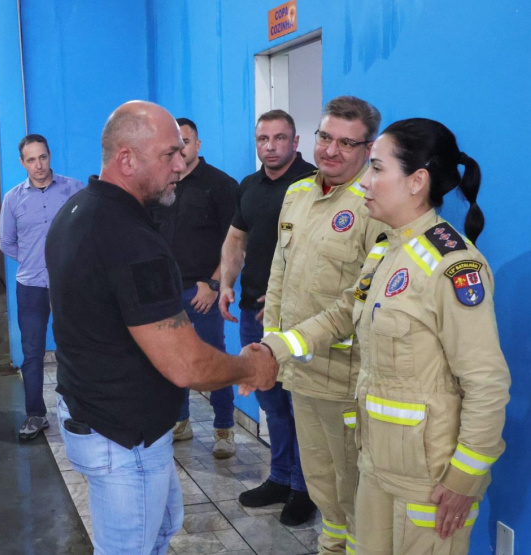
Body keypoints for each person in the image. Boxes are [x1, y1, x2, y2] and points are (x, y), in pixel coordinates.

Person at [263, 118, 510, 554]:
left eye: (376, 168)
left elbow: (486, 383)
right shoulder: (386, 251)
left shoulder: (451, 266)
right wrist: (272, 349)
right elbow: (342, 314)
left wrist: (465, 477)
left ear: (417, 182)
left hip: (429, 480)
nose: (365, 182)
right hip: (376, 462)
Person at [45, 100, 278, 554]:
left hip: (102, 417)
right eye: (169, 154)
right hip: (121, 436)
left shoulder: (79, 208)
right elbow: (187, 364)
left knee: (162, 531)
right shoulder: (128, 238)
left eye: (182, 152)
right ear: (126, 158)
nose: (180, 164)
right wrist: (251, 368)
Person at [259, 96, 386, 553]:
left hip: (345, 379)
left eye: (346, 143)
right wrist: (270, 345)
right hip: (298, 371)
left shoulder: (375, 205)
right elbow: (279, 276)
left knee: (352, 489)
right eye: (325, 137)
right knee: (320, 486)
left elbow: (361, 300)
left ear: (368, 149)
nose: (331, 150)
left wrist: (283, 346)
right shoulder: (297, 194)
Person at [218, 109, 317, 524]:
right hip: (252, 313)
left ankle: (304, 488)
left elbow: (318, 257)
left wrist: (283, 299)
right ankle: (279, 477)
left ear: (295, 142)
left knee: (299, 405)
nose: (270, 146)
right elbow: (236, 239)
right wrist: (227, 283)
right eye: (263, 139)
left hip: (296, 318)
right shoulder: (249, 186)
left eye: (279, 138)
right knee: (270, 400)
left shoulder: (314, 184)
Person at [149, 118, 240, 458]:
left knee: (213, 362)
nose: (180, 149)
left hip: (202, 295)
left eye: (185, 142)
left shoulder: (221, 185)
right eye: (174, 143)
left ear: (198, 144)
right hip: (167, 294)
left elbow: (236, 243)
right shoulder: (161, 183)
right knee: (173, 361)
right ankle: (180, 422)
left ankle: (224, 429)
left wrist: (215, 284)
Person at [0, 134, 84, 441]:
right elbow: (6, 242)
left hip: (68, 285)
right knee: (32, 352)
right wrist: (33, 260)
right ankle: (36, 414)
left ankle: (78, 410)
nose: (39, 165)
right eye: (31, 160)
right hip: (31, 287)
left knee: (74, 347)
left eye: (43, 157)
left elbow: (88, 230)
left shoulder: (75, 190)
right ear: (22, 163)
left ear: (50, 156)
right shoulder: (13, 199)